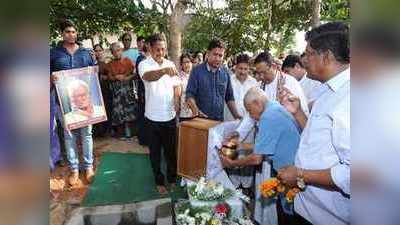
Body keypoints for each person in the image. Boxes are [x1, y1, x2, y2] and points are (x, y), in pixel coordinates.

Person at [277, 22, 350, 225]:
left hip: (328, 216)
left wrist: (301, 174)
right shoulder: (327, 89)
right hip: (308, 207)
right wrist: (299, 112)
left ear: (326, 56)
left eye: (308, 54)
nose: (303, 60)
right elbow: (321, 139)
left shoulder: (351, 97)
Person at [221, 87, 304, 225]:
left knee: (288, 215)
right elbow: (265, 144)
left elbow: (257, 158)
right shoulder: (274, 107)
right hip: (292, 168)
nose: (250, 114)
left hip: (291, 173)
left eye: (249, 110)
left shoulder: (268, 117)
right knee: (286, 210)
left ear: (257, 103)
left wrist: (231, 164)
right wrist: (237, 145)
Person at [50, 20, 95, 185]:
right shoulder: (53, 54)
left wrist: (93, 71)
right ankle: (75, 169)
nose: (71, 34)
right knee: (69, 136)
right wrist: (51, 77)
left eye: (74, 32)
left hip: (84, 102)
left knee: (87, 134)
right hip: (63, 102)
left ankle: (88, 167)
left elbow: (93, 74)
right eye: (68, 31)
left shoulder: (85, 53)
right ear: (62, 34)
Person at [232, 52, 309, 143]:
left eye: (264, 72)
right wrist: (239, 133)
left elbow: (302, 113)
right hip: (265, 138)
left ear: (274, 66)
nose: (261, 77)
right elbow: (251, 115)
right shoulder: (259, 87)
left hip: (286, 139)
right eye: (258, 73)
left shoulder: (290, 83)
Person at [138, 33, 181, 194]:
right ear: (150, 48)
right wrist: (163, 70)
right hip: (152, 117)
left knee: (171, 152)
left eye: (163, 49)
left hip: (169, 116)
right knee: (155, 153)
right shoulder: (144, 64)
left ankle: (172, 178)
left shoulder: (170, 63)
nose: (161, 52)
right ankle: (159, 180)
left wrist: (177, 100)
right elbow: (148, 77)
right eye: (157, 49)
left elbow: (177, 84)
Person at [186, 39, 241, 121]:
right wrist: (195, 110)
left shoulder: (225, 73)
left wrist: (237, 116)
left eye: (220, 55)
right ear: (208, 54)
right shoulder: (196, 71)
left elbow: (229, 97)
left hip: (219, 122)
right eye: (215, 54)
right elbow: (189, 95)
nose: (218, 58)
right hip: (200, 122)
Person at [106, 42, 137, 140]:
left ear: (122, 50)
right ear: (112, 53)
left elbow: (135, 74)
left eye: (118, 50)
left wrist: (127, 77)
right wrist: (115, 77)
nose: (116, 53)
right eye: (114, 51)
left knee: (129, 111)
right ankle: (121, 133)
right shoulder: (110, 64)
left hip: (128, 91)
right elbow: (109, 77)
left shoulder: (128, 61)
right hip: (117, 92)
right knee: (118, 112)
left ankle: (131, 133)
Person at [224, 53, 258, 121]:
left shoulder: (254, 83)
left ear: (249, 69)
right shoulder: (228, 81)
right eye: (240, 68)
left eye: (245, 69)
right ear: (235, 67)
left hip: (247, 124)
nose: (243, 72)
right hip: (229, 121)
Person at [93, 44, 112, 136]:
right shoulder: (91, 64)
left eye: (100, 50)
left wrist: (106, 76)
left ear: (103, 51)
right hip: (95, 92)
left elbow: (111, 76)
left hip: (105, 91)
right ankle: (97, 131)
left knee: (107, 109)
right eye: (96, 51)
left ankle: (107, 130)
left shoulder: (107, 64)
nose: (98, 52)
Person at [177, 53, 194, 121]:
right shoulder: (178, 78)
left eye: (188, 62)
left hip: (196, 113)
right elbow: (177, 97)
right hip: (184, 114)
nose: (187, 64)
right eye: (184, 62)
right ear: (181, 65)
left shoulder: (196, 76)